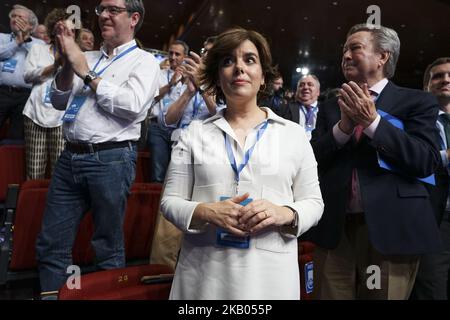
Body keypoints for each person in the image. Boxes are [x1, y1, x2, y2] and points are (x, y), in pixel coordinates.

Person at [160, 27, 324, 300]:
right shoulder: (195, 133)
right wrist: (206, 211)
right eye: (227, 61)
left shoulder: (292, 134)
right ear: (217, 77)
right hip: (204, 273)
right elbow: (169, 201)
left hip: (269, 275)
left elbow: (314, 202)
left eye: (249, 60)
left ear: (263, 78)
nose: (238, 68)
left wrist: (285, 213)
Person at [307, 23, 442, 300]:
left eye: (355, 48)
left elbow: (425, 161)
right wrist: (342, 130)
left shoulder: (417, 101)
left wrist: (373, 123)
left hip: (392, 229)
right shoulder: (331, 106)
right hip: (335, 230)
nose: (345, 55)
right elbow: (312, 160)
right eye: (344, 49)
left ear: (383, 56)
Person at [36, 0, 160, 298]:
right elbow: (58, 101)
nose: (103, 15)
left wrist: (87, 74)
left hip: (111, 159)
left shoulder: (144, 61)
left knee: (106, 246)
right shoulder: (87, 55)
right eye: (102, 9)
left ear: (133, 18)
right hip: (71, 156)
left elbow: (132, 107)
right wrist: (68, 63)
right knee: (52, 242)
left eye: (113, 10)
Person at [411, 57, 450, 300]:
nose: (446, 79)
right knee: (432, 290)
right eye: (438, 76)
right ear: (427, 86)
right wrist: (446, 156)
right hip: (434, 219)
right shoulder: (413, 120)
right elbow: (410, 160)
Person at [22, 9, 71, 180]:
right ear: (52, 29)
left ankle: (55, 206)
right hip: (34, 113)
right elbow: (27, 76)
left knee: (59, 171)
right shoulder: (38, 49)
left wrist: (67, 59)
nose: (63, 31)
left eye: (67, 28)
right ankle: (32, 206)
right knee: (34, 171)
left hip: (61, 118)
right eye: (59, 27)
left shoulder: (76, 55)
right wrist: (54, 66)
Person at [147, 40, 189, 183]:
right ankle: (156, 205)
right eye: (171, 53)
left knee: (178, 174)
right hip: (157, 127)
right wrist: (171, 84)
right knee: (158, 173)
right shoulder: (158, 74)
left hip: (180, 128)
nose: (173, 57)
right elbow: (152, 97)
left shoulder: (190, 78)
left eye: (177, 54)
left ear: (185, 57)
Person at [0, 5, 44, 140]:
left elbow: (40, 61)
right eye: (13, 16)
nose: (15, 19)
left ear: (31, 25)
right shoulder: (2, 37)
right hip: (2, 92)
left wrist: (26, 39)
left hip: (25, 96)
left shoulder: (39, 44)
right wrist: (17, 41)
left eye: (20, 17)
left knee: (17, 135)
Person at [281, 74, 321, 140]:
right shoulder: (285, 108)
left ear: (318, 92)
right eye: (301, 85)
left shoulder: (326, 109)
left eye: (310, 84)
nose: (305, 87)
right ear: (297, 91)